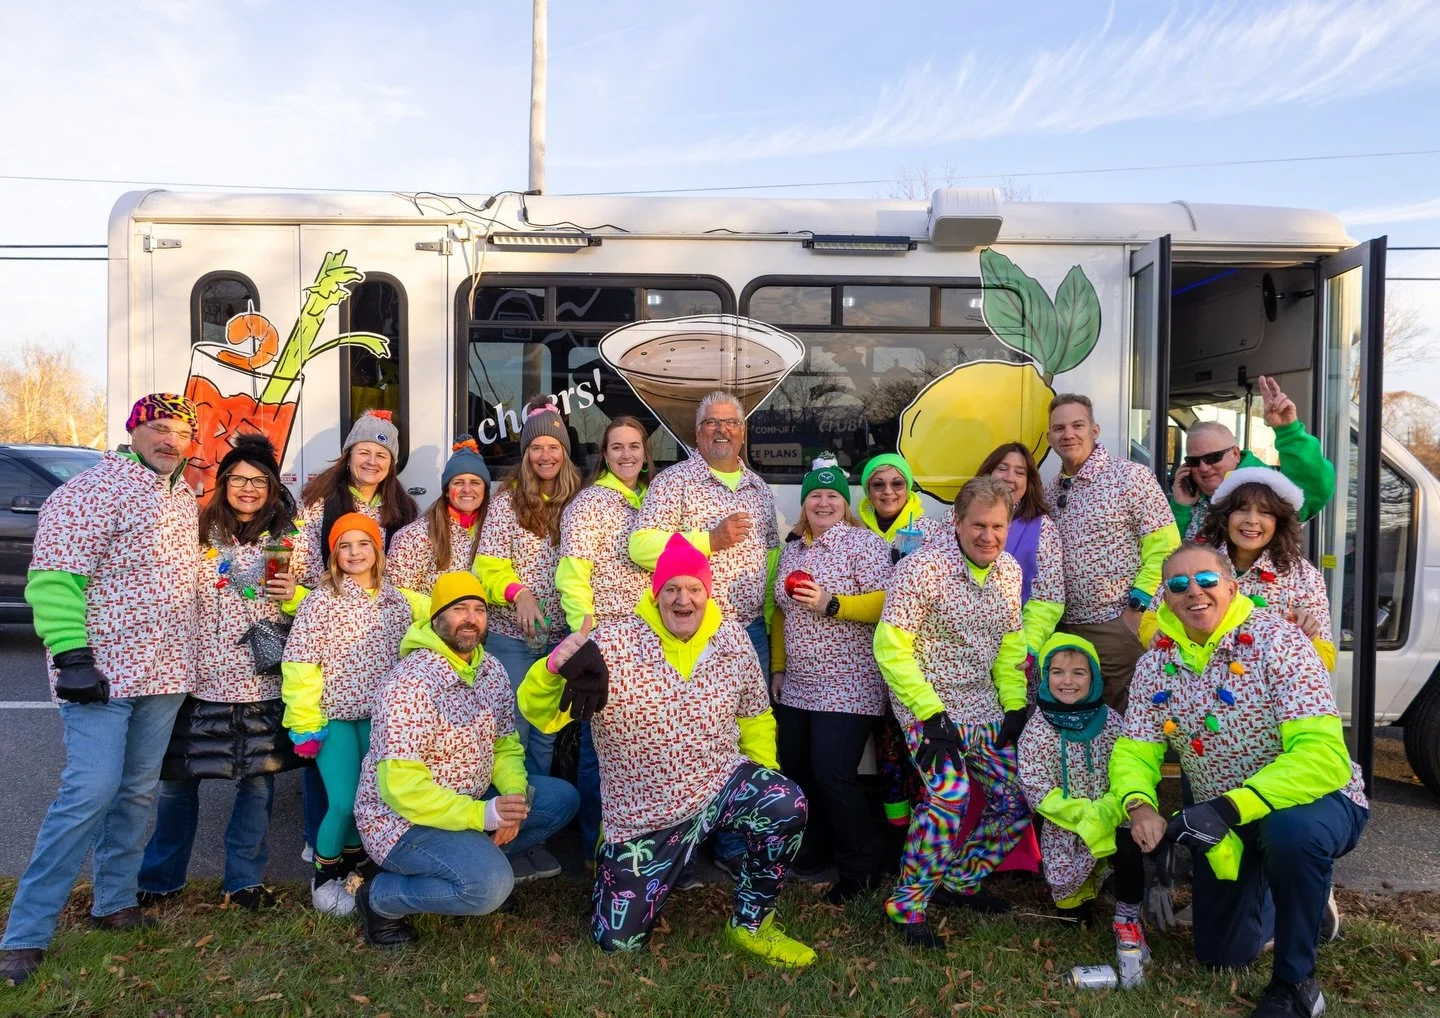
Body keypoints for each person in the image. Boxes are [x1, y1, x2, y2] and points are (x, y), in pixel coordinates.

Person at [519, 535, 815, 967]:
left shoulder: (733, 640)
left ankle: (752, 924)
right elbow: (541, 715)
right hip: (643, 815)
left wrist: (764, 776)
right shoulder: (613, 643)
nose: (683, 599)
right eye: (671, 588)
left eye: (693, 588)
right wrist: (551, 669)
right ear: (656, 594)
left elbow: (755, 716)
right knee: (617, 944)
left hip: (718, 784)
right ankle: (624, 864)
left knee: (785, 803)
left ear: (707, 593)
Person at [1111, 544, 1367, 1018]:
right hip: (1225, 822)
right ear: (1165, 598)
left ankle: (1296, 985)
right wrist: (1140, 804)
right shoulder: (1154, 666)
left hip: (1311, 803)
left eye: (1207, 580)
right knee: (1220, 955)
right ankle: (1294, 899)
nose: (1194, 591)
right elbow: (1136, 749)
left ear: (1231, 587)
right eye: (1179, 584)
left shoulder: (1280, 641)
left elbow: (1323, 756)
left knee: (1289, 834)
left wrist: (1229, 807)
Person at [1, 394, 201, 987]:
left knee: (137, 792)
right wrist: (72, 656)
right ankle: (26, 932)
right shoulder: (91, 490)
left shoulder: (181, 495)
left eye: (181, 432)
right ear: (133, 431)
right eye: (158, 428)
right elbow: (54, 579)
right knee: (89, 791)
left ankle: (114, 902)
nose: (170, 440)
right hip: (101, 673)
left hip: (165, 673)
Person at [351, 572, 579, 947]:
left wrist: (513, 798)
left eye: (479, 609)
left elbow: (505, 745)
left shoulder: (491, 669)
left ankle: (474, 864)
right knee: (490, 887)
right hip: (402, 822)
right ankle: (380, 898)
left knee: (560, 799)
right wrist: (483, 816)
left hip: (469, 800)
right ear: (437, 617)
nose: (471, 619)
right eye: (459, 609)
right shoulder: (411, 683)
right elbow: (401, 789)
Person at [137, 435, 306, 912]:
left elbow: (319, 601)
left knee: (257, 784)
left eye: (259, 480)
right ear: (224, 482)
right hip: (196, 679)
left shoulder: (292, 538)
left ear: (272, 487)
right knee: (177, 784)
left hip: (261, 680)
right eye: (238, 479)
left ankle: (243, 881)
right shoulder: (195, 530)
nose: (248, 489)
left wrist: (296, 593)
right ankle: (161, 878)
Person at [873, 477, 1032, 948]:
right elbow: (891, 648)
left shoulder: (1007, 571)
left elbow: (1011, 644)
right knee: (949, 797)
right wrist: (929, 714)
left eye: (998, 526)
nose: (989, 536)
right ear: (957, 522)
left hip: (983, 703)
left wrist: (1015, 705)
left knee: (1019, 797)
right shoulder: (921, 569)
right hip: (929, 707)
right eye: (978, 525)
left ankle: (961, 881)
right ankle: (907, 906)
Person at [629, 391, 781, 877]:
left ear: (742, 432)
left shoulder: (758, 488)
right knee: (685, 738)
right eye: (711, 423)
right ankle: (681, 843)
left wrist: (772, 629)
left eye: (730, 423)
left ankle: (733, 841)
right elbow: (640, 546)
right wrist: (708, 540)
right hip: (691, 632)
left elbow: (771, 559)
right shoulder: (674, 482)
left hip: (749, 630)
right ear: (697, 433)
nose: (721, 430)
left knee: (742, 733)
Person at [281, 513, 423, 915]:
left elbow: (429, 631)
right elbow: (300, 664)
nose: (355, 553)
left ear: (377, 550)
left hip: (379, 719)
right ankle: (323, 879)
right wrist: (305, 723)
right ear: (334, 555)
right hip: (336, 716)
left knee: (370, 802)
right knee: (343, 801)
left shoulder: (398, 601)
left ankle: (354, 870)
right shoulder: (321, 601)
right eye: (345, 546)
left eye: (363, 544)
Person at [295, 409, 418, 864]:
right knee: (331, 775)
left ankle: (361, 853)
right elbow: (302, 565)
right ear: (348, 456)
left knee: (371, 776)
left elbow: (405, 578)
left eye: (382, 454)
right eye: (364, 451)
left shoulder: (401, 510)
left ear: (392, 463)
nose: (372, 461)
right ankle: (318, 842)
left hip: (380, 625)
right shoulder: (319, 502)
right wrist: (324, 601)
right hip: (328, 626)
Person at [770, 465, 893, 904]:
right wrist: (779, 668)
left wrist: (832, 603)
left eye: (833, 496)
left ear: (845, 503)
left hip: (848, 683)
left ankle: (861, 868)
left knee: (833, 773)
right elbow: (781, 611)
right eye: (815, 496)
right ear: (804, 503)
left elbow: (886, 602)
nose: (823, 503)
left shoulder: (864, 544)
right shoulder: (793, 550)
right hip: (799, 685)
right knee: (798, 770)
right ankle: (817, 849)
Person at [473, 400, 581, 883]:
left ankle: (531, 835)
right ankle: (502, 836)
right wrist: (518, 592)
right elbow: (488, 567)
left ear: (565, 451)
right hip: (513, 639)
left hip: (560, 641)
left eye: (553, 446)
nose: (545, 455)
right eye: (536, 446)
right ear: (526, 453)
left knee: (545, 737)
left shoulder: (580, 500)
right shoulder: (506, 501)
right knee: (511, 736)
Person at [555, 416, 654, 860]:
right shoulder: (589, 503)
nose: (627, 454)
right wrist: (585, 636)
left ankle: (643, 842)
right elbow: (573, 576)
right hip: (607, 638)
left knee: (645, 742)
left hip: (653, 639)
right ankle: (597, 848)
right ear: (605, 454)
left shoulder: (655, 499)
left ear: (645, 453)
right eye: (617, 447)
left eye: (634, 446)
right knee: (600, 748)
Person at [1043, 394, 1180, 711]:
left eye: (1078, 425)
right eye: (1059, 428)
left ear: (1095, 430)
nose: (1068, 434)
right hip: (1065, 630)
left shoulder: (1130, 477)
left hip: (1116, 625)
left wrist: (1136, 610)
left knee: (1125, 716)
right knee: (1077, 718)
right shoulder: (1051, 490)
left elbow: (1167, 550)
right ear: (1050, 438)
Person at [1017, 633, 1145, 966]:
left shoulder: (1111, 722)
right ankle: (1077, 902)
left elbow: (1126, 768)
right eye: (1057, 672)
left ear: (1094, 677)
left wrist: (1109, 808)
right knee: (1071, 903)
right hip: (1066, 821)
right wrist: (1079, 813)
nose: (1068, 681)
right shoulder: (1039, 728)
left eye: (1079, 672)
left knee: (1128, 847)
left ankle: (1127, 913)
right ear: (1045, 676)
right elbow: (1033, 782)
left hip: (1109, 813)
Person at [1196, 468, 1335, 670]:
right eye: (1241, 509)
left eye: (1265, 512)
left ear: (1279, 521)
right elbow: (1154, 624)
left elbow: (1326, 661)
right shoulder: (1196, 562)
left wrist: (1307, 633)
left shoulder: (1303, 576)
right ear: (1225, 516)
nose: (1252, 520)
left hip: (1269, 689)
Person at [1170, 376, 1334, 541]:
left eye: (1213, 457)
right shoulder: (1190, 501)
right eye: (1194, 461)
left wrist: (1289, 432)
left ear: (1235, 454)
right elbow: (1169, 551)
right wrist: (1181, 508)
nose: (1203, 467)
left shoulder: (1269, 490)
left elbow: (1313, 485)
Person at [385, 438, 490, 594]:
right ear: (447, 491)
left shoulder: (496, 530)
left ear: (485, 490)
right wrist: (442, 607)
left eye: (475, 482)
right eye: (458, 482)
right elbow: (397, 594)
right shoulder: (414, 536)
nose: (467, 489)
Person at [857, 453, 941, 559]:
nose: (888, 491)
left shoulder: (932, 530)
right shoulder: (857, 531)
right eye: (878, 485)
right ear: (868, 491)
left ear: (907, 489)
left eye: (897, 484)